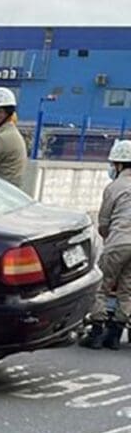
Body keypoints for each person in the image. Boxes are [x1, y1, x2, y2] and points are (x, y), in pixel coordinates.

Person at [82, 140, 131, 349]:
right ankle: (116, 333)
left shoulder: (114, 187)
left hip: (118, 242)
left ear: (119, 164)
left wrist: (108, 239)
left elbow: (104, 222)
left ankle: (96, 330)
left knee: (101, 286)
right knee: (127, 288)